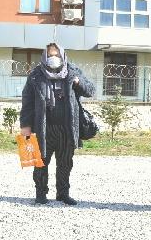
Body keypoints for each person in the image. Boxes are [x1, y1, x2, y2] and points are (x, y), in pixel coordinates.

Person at [20, 43, 95, 205]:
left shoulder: (73, 71)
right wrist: (25, 126)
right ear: (44, 57)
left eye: (57, 55)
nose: (54, 59)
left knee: (65, 163)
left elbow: (91, 90)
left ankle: (63, 193)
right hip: (43, 127)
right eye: (50, 56)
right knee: (41, 162)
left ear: (63, 56)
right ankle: (41, 193)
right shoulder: (35, 75)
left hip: (67, 127)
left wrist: (78, 82)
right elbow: (27, 102)